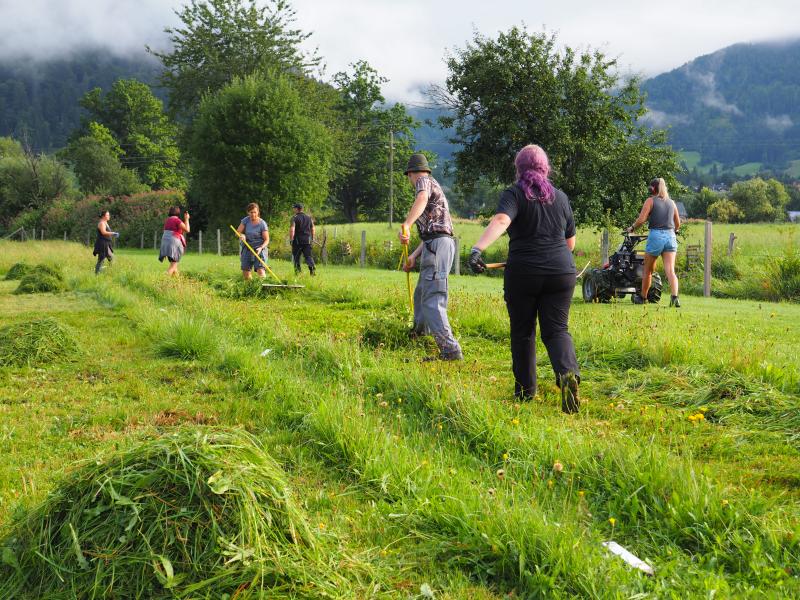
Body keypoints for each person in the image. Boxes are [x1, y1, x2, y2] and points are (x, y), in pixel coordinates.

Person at [468, 144, 580, 413]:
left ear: (519, 168)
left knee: (523, 332)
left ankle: (526, 392)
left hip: (524, 273)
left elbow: (501, 220)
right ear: (545, 167)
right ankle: (567, 374)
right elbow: (571, 243)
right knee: (557, 330)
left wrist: (477, 249)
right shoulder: (561, 198)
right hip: (561, 272)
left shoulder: (515, 193)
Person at [399, 153, 463, 361]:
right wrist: (414, 257)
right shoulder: (432, 186)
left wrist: (407, 224)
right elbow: (431, 232)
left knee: (433, 298)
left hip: (439, 246)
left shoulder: (424, 182)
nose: (410, 181)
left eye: (408, 176)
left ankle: (450, 350)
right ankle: (419, 335)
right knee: (420, 294)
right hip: (433, 244)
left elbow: (421, 198)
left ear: (411, 173)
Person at [626, 178, 681, 307]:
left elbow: (641, 219)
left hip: (656, 236)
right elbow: (677, 223)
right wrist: (675, 231)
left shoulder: (650, 201)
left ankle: (643, 298)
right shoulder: (672, 203)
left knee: (648, 270)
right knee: (670, 270)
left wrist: (632, 228)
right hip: (670, 236)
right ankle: (675, 298)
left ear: (652, 189)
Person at [236, 202, 269, 280]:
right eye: (251, 212)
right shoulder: (245, 220)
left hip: (259, 248)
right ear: (248, 212)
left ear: (258, 212)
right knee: (246, 271)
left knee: (260, 270)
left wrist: (261, 248)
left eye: (255, 212)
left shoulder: (262, 223)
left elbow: (267, 240)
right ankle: (251, 288)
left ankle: (263, 288)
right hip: (247, 247)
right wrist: (242, 235)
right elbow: (238, 232)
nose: (253, 214)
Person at [159, 206, 190, 276]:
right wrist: (187, 219)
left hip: (165, 244)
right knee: (173, 266)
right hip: (174, 244)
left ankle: (177, 282)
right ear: (178, 213)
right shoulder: (177, 220)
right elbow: (187, 230)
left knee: (174, 266)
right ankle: (163, 280)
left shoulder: (167, 220)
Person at [290, 202, 316, 275]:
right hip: (307, 240)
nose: (293, 209)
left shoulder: (294, 218)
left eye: (294, 208)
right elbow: (313, 228)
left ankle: (298, 274)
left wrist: (291, 239)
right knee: (308, 256)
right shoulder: (309, 217)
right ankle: (312, 269)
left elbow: (292, 229)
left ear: (296, 209)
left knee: (296, 258)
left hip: (297, 241)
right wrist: (312, 238)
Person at [93, 209, 119, 275]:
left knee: (109, 258)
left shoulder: (105, 222)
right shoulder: (102, 223)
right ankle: (97, 274)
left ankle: (107, 272)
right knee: (102, 259)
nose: (109, 216)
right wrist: (113, 233)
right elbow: (103, 232)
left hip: (106, 243)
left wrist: (112, 234)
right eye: (107, 215)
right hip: (102, 244)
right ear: (103, 216)